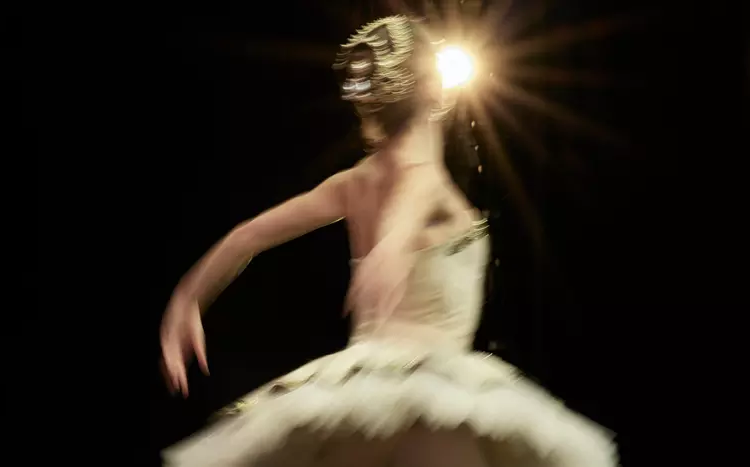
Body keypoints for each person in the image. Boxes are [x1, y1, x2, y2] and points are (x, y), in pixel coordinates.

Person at [160, 15, 616, 467]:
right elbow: (408, 207)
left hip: (358, 395)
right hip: (428, 395)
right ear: (434, 90)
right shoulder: (425, 177)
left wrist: (188, 298)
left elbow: (248, 236)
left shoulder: (352, 184)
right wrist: (389, 252)